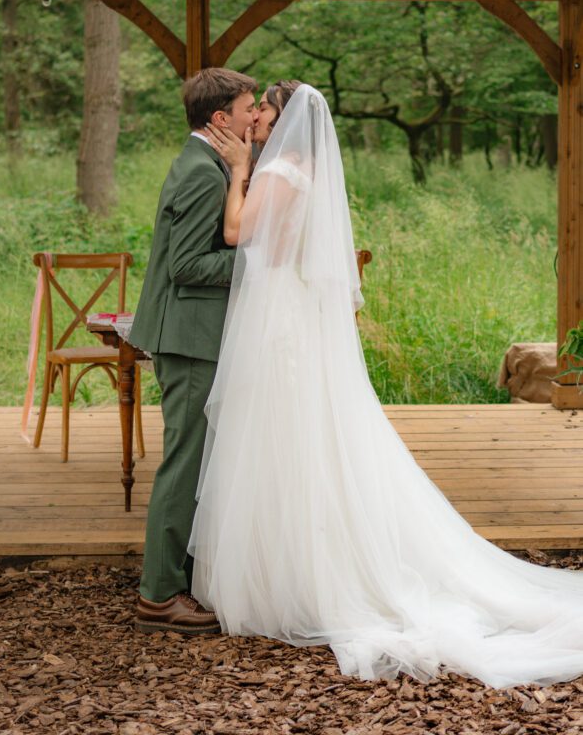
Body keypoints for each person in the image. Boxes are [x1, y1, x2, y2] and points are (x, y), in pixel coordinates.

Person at [189, 81, 583, 689]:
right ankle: (291, 565)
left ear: (284, 116)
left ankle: (299, 576)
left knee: (285, 438)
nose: (256, 118)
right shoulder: (304, 170)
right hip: (287, 313)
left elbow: (239, 234)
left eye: (263, 108)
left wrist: (239, 170)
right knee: (298, 439)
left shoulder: (282, 170)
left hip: (279, 322)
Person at [130, 67, 258, 635]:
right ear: (219, 119)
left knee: (197, 456)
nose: (254, 116)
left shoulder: (206, 165)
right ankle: (158, 595)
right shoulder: (204, 175)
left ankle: (177, 575)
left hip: (193, 333)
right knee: (183, 462)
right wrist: (261, 260)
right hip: (187, 337)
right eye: (247, 108)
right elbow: (186, 266)